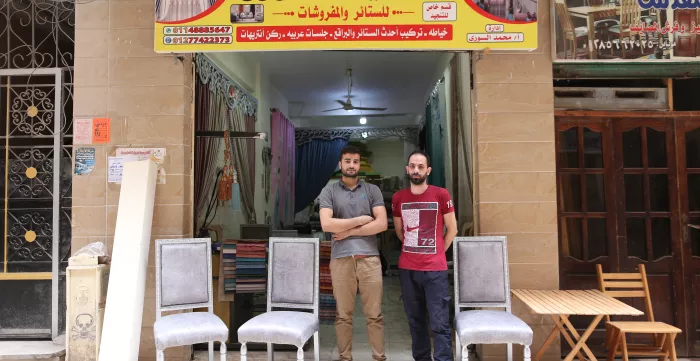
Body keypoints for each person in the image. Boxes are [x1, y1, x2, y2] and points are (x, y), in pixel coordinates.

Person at [319, 145, 388, 361]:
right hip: (341, 260)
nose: (351, 165)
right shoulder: (328, 191)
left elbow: (382, 224)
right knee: (343, 315)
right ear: (340, 164)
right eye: (347, 161)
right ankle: (345, 358)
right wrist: (360, 220)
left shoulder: (372, 191)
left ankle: (379, 357)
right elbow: (326, 224)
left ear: (360, 165)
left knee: (374, 315)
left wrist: (346, 231)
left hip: (369, 260)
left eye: (355, 161)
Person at [392, 150, 458, 361]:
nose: (416, 170)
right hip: (408, 269)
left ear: (428, 170)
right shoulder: (398, 198)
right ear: (407, 170)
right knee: (415, 322)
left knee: (439, 323)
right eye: (412, 166)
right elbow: (400, 232)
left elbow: (452, 229)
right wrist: (415, 247)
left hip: (435, 270)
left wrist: (438, 249)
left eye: (421, 167)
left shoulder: (441, 194)